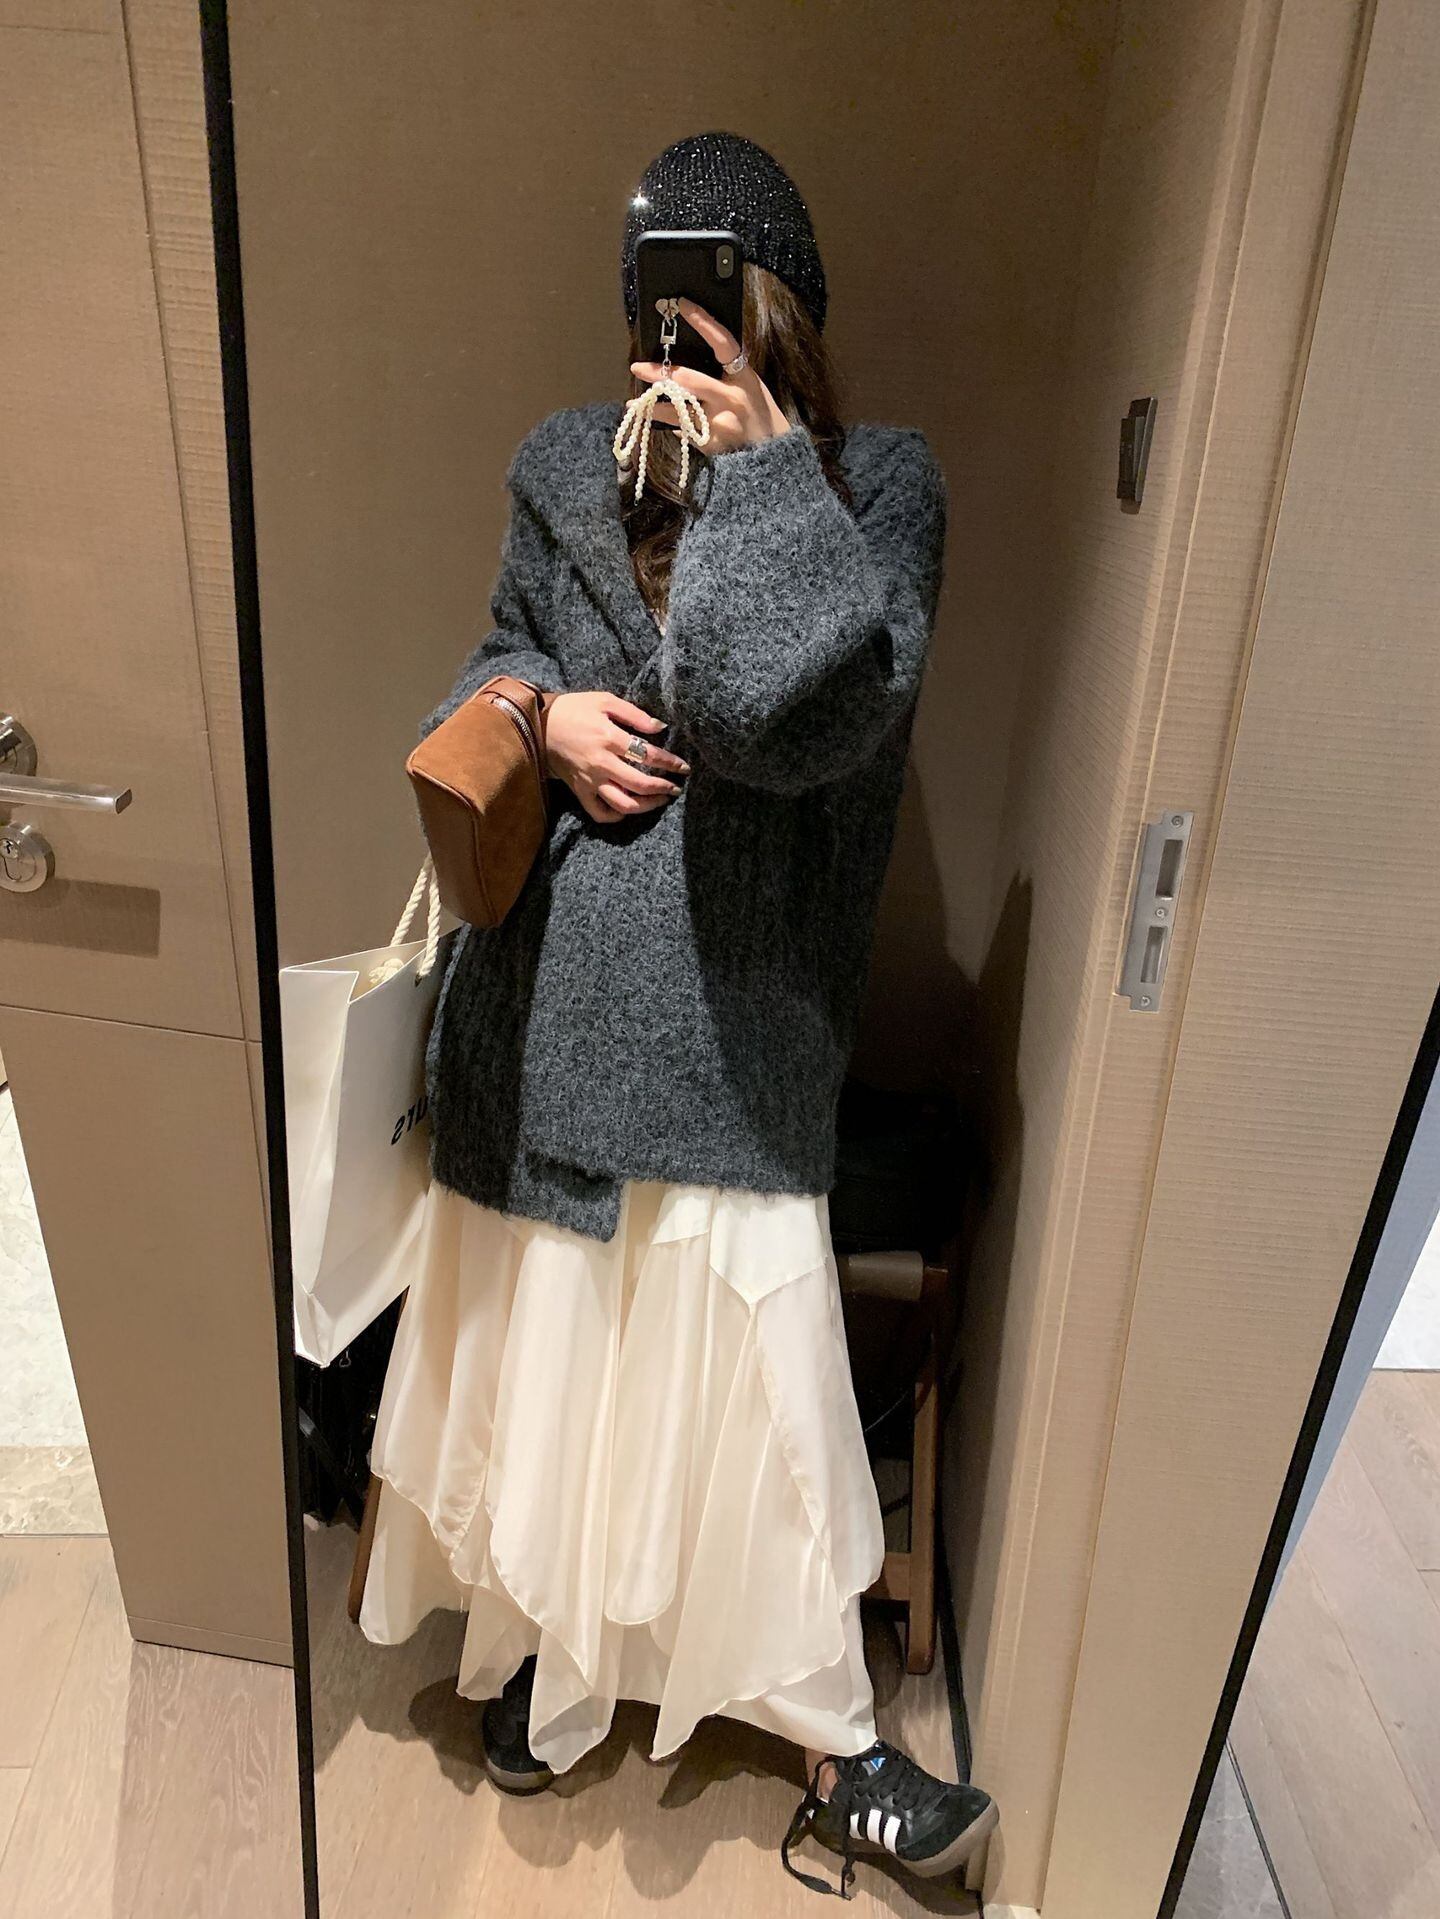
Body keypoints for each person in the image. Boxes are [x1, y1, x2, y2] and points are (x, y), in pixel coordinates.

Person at [359, 131, 998, 1897]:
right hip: (548, 1007)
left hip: (736, 1014)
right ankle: (545, 1665)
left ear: (778, 303)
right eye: (655, 295)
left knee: (749, 1401)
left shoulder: (880, 486)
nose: (676, 329)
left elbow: (783, 721)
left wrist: (758, 480)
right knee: (554, 1370)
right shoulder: (563, 461)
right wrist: (543, 713)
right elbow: (496, 651)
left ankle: (836, 1743)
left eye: (717, 292)